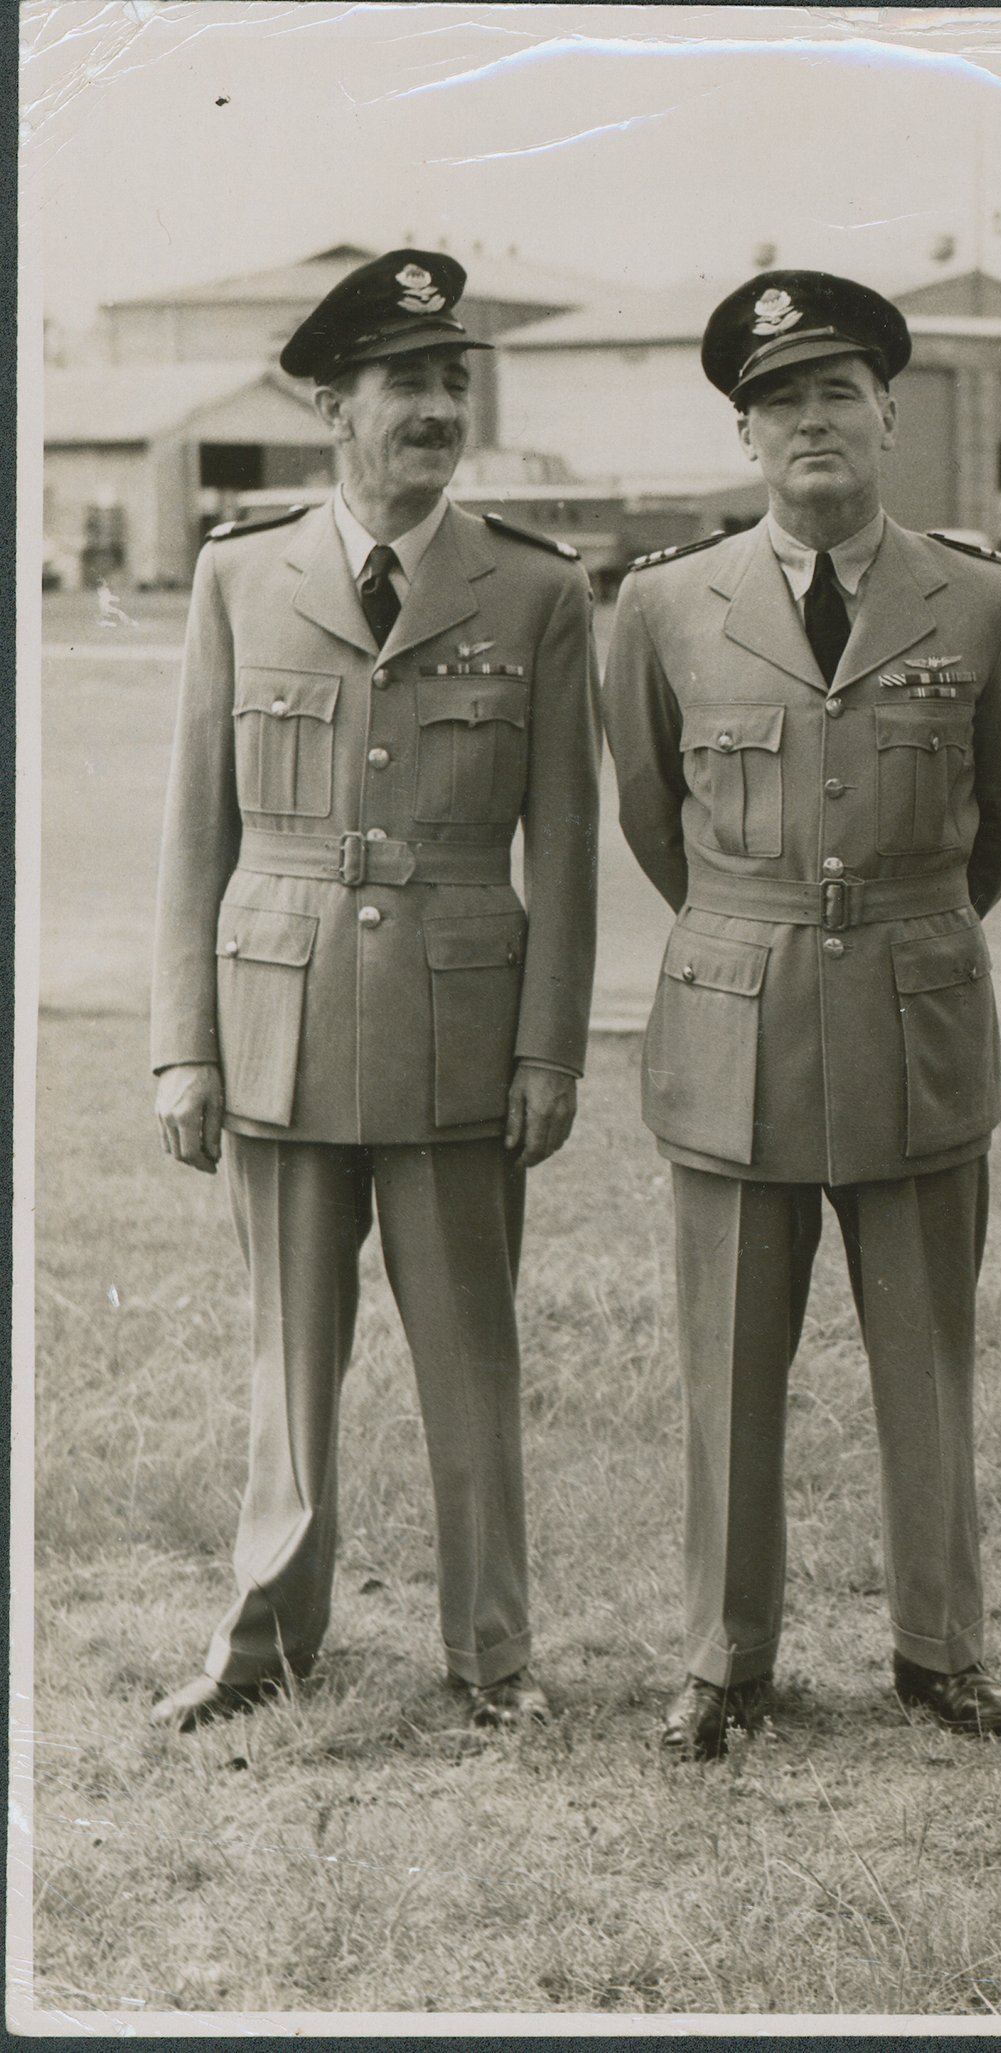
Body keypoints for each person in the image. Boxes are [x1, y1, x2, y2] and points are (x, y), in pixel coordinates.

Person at [600, 270, 1001, 1760]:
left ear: (890, 417)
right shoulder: (665, 605)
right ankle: (725, 1657)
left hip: (917, 1008)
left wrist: (905, 931)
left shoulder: (987, 601)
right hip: (738, 1018)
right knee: (730, 1360)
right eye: (784, 400)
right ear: (746, 432)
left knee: (926, 1351)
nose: (815, 422)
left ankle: (942, 1649)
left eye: (840, 394)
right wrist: (762, 932)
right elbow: (655, 820)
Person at [147, 248, 597, 1730]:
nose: (437, 408)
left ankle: (492, 1655)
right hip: (276, 1020)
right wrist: (181, 1049)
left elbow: (569, 849)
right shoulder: (238, 573)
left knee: (471, 1352)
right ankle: (266, 1644)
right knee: (289, 1356)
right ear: (332, 402)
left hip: (463, 1028)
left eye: (454, 381)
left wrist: (552, 1052)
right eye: (408, 382)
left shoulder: (533, 589)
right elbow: (193, 830)